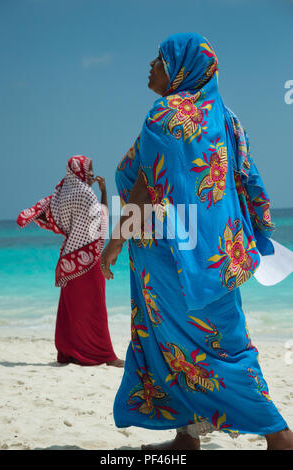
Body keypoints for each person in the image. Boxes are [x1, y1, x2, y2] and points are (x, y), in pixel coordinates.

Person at [100, 33, 293, 449]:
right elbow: (247, 180)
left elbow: (145, 187)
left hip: (168, 261)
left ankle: (278, 434)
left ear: (182, 67)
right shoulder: (223, 117)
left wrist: (115, 241)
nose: (151, 65)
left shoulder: (165, 115)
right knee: (218, 342)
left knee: (185, 344)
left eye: (160, 59)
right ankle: (187, 435)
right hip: (216, 254)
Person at [17, 155, 124, 368]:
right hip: (89, 259)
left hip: (69, 259)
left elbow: (52, 215)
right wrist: (103, 191)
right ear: (80, 171)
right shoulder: (85, 193)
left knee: (71, 309)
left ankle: (70, 353)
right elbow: (101, 220)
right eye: (89, 170)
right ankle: (105, 355)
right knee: (95, 309)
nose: (92, 174)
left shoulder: (62, 192)